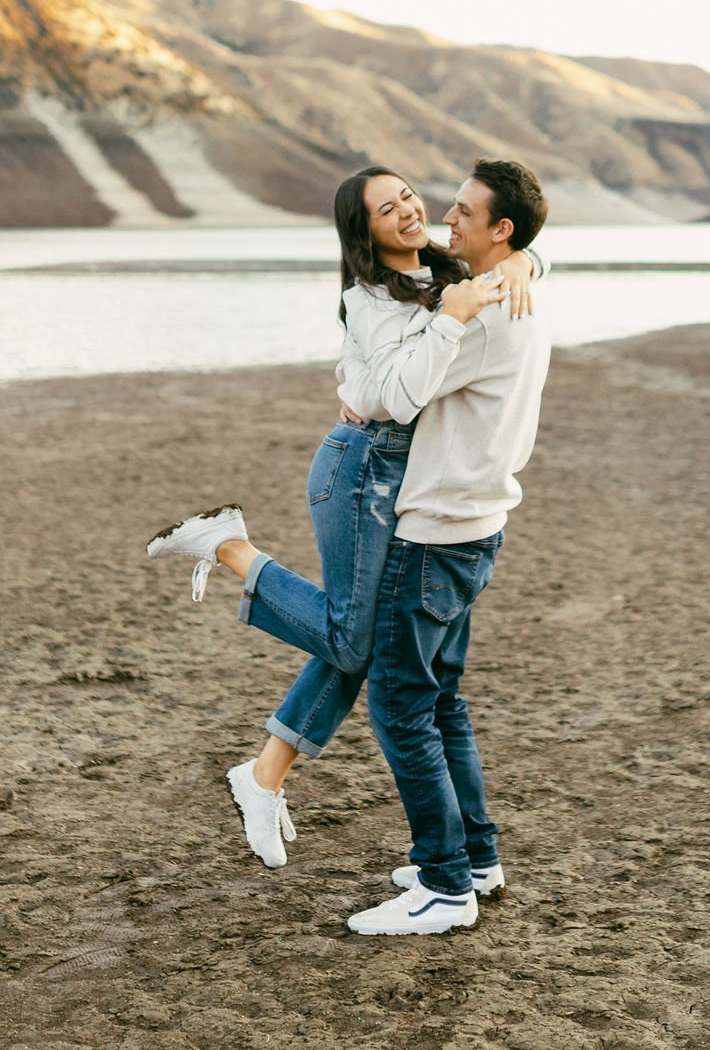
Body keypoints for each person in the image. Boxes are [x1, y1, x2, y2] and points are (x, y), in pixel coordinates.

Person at [146, 165, 541, 867]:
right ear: (364, 231)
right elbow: (390, 398)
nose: (411, 211)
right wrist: (449, 319)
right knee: (354, 638)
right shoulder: (369, 298)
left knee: (363, 642)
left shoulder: (448, 268)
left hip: (403, 477)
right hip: (362, 469)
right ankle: (231, 550)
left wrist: (525, 262)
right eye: (388, 209)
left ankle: (264, 774)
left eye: (410, 196)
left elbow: (525, 244)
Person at [341, 159, 551, 936]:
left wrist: (442, 319)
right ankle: (478, 857)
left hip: (433, 535)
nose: (443, 221)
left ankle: (443, 886)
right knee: (444, 704)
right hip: (477, 528)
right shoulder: (518, 284)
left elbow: (391, 395)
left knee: (400, 709)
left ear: (500, 230)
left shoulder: (485, 313)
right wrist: (524, 259)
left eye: (464, 213)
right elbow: (524, 253)